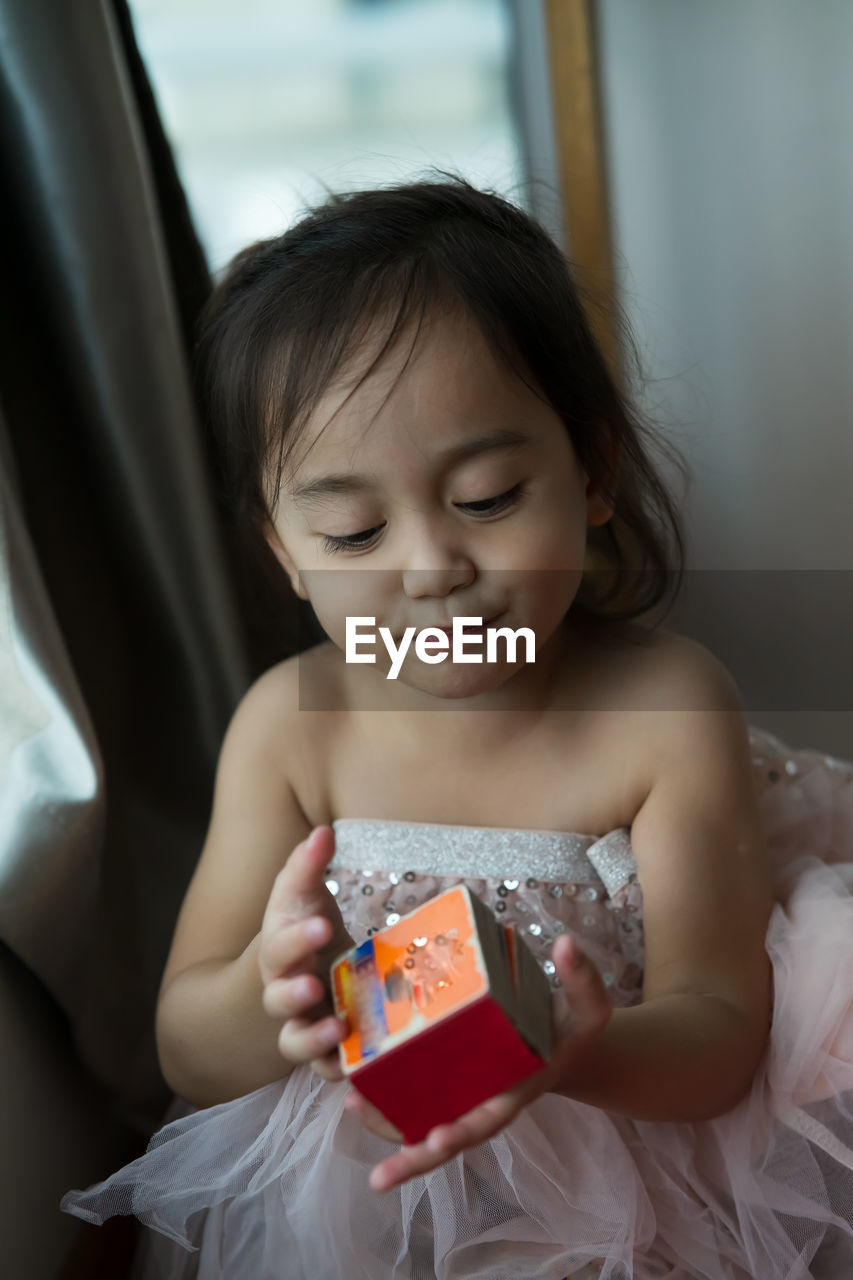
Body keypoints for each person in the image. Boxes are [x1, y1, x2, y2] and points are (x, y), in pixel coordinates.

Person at [61, 178, 853, 1279]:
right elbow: (185, 1037)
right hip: (354, 1201)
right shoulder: (295, 729)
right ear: (283, 548)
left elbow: (719, 1031)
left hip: (638, 1190)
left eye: (485, 498)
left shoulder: (663, 707)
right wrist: (265, 996)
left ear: (591, 471)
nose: (430, 567)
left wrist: (581, 1048)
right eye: (351, 528)